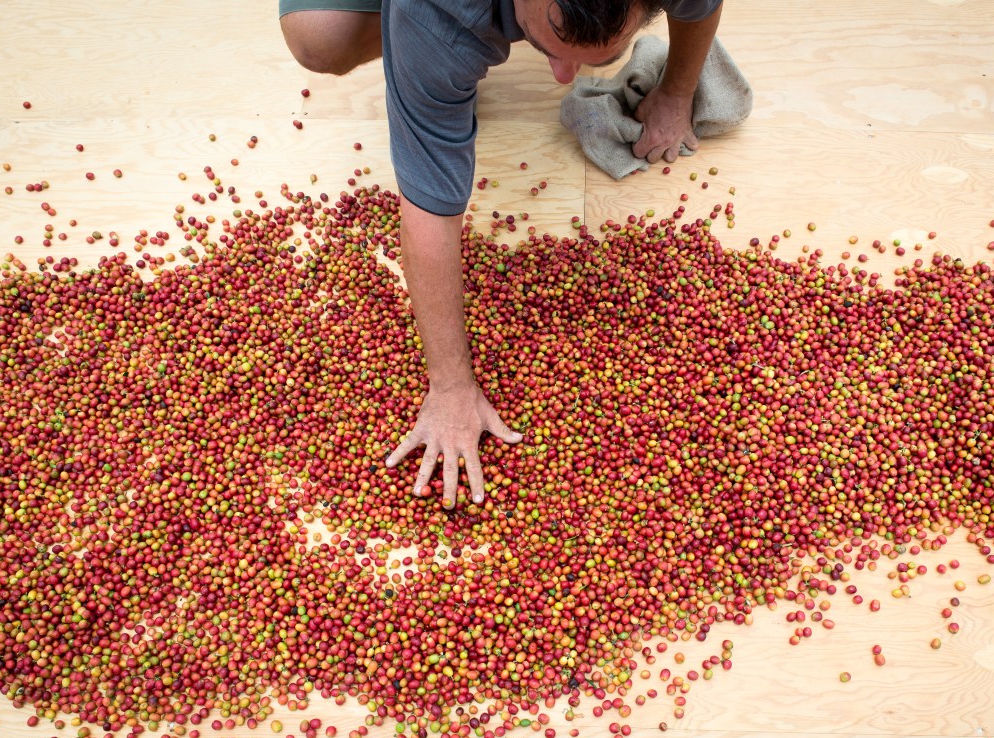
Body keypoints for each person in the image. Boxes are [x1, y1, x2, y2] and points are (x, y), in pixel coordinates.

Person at [280, 0, 724, 508]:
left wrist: (677, 91)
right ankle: (422, 46)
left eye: (597, 60)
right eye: (545, 47)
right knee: (320, 39)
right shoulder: (437, 12)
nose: (563, 78)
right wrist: (450, 388)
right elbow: (429, 202)